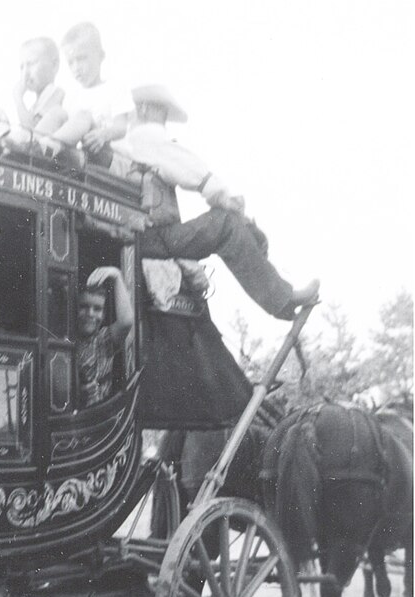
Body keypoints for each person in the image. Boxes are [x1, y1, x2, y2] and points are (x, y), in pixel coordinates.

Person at [116, 84, 319, 320]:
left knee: (230, 222)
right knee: (225, 223)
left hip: (144, 233)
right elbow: (192, 171)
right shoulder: (148, 139)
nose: (163, 121)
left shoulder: (131, 142)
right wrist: (223, 197)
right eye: (161, 113)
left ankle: (280, 299)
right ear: (145, 109)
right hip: (151, 235)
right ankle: (282, 300)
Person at [43, 22, 134, 167]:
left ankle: (47, 148)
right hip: (82, 154)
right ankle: (33, 142)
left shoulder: (114, 88)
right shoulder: (72, 97)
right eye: (71, 62)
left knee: (83, 116)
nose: (76, 68)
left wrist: (103, 135)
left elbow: (121, 128)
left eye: (81, 59)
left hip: (109, 156)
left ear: (100, 56)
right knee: (57, 113)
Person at [77, 266, 133, 407]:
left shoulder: (103, 339)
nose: (90, 313)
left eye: (97, 309)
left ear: (103, 315)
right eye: (83, 306)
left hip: (98, 416)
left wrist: (116, 276)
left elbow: (126, 321)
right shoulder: (65, 339)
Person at [11, 37, 66, 139]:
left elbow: (32, 131)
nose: (25, 73)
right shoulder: (36, 105)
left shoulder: (55, 93)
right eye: (22, 67)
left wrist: (18, 99)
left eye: (31, 64)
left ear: (54, 65)